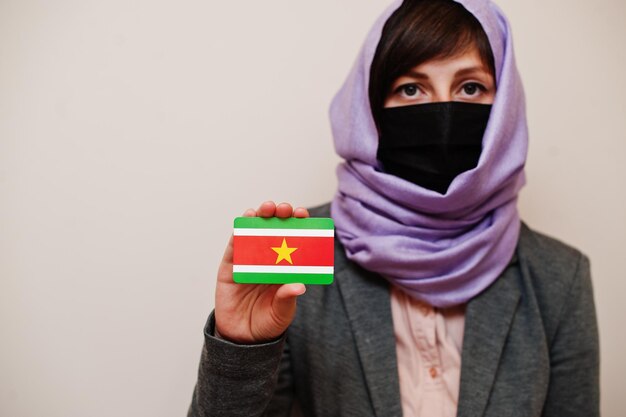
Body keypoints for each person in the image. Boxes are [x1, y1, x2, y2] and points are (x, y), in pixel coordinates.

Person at [187, 0, 600, 416]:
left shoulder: (559, 279)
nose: (442, 113)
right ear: (369, 110)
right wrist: (241, 350)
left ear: (506, 107)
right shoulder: (297, 253)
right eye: (410, 88)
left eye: (471, 87)